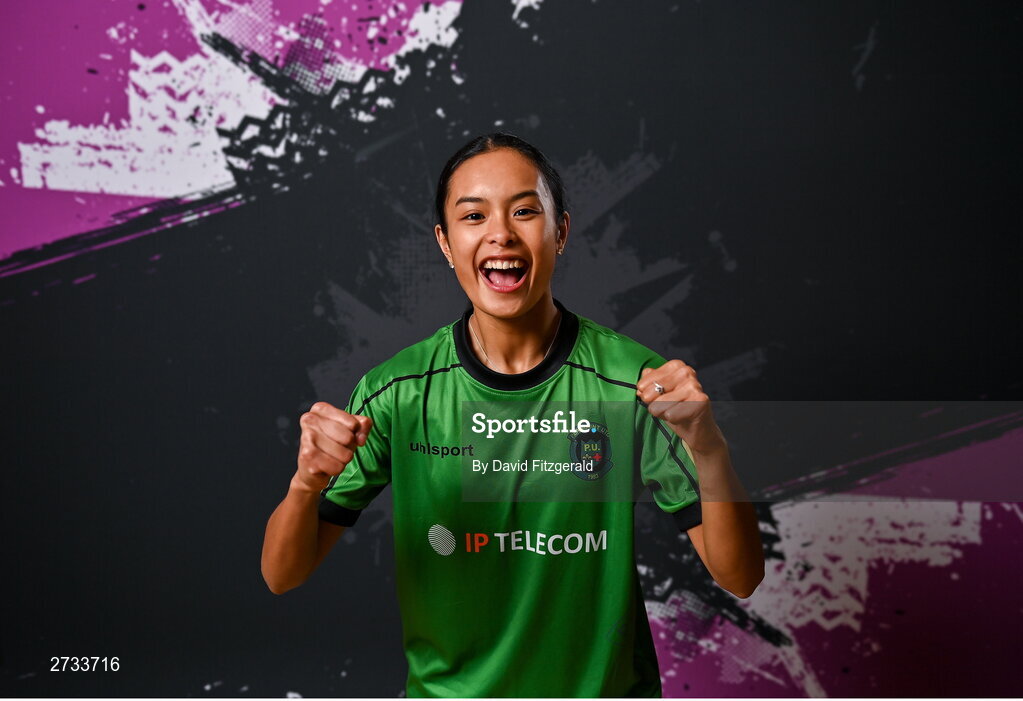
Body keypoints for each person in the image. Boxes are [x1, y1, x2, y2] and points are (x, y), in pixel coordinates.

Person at [261, 132, 764, 696]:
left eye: (525, 211)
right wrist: (305, 484)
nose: (500, 233)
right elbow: (282, 575)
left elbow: (740, 576)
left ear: (561, 231)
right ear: (445, 243)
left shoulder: (633, 384)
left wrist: (709, 447)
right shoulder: (397, 392)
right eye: (473, 216)